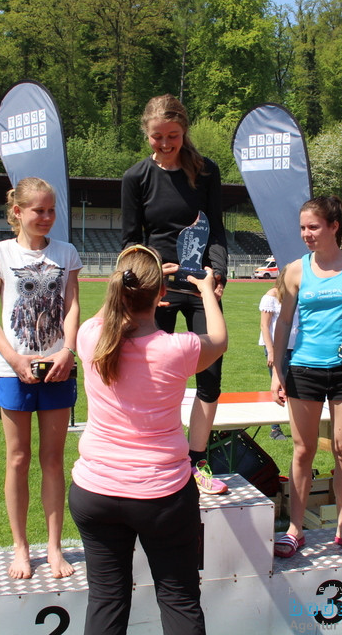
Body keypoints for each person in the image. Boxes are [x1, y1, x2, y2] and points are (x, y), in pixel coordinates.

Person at [69, 245, 226, 635]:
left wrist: (131, 275)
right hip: (162, 496)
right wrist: (207, 290)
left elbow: (108, 313)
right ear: (162, 295)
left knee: (106, 600)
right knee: (178, 599)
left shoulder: (89, 337)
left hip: (95, 491)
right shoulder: (178, 349)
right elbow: (219, 339)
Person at [121, 94, 229, 494]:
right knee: (151, 377)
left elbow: (216, 229)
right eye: (157, 137)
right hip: (156, 291)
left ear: (184, 131)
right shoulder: (136, 178)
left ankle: (198, 462)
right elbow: (130, 245)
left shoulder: (206, 173)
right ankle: (156, 457)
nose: (165, 144)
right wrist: (146, 287)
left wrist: (217, 273)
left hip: (200, 286)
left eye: (173, 136)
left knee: (211, 376)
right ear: (146, 134)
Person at [0, 177, 81, 580]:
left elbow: (73, 306)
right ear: (18, 211)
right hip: (12, 369)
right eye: (38, 210)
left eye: (51, 210)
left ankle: (54, 548)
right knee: (18, 459)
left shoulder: (66, 252)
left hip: (57, 368)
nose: (46, 217)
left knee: (53, 460)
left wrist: (67, 351)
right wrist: (13, 357)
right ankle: (21, 548)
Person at [270, 195, 342, 559]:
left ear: (335, 226)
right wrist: (277, 370)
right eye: (302, 227)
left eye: (313, 227)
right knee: (302, 451)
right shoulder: (294, 270)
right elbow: (284, 322)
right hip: (304, 369)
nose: (306, 234)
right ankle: (294, 529)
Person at [260, 269, 299, 440]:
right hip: (277, 348)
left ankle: (298, 424)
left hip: (297, 348)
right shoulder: (272, 295)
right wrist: (271, 351)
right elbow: (264, 326)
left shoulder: (298, 294)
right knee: (279, 386)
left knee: (296, 386)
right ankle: (275, 428)